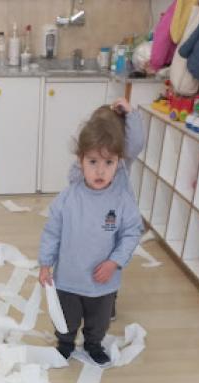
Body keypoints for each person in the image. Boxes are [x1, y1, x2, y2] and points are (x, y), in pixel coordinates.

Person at [39, 104, 143, 365]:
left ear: (119, 162)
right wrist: (45, 263)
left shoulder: (121, 198)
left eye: (108, 162)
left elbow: (132, 232)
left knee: (99, 320)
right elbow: (52, 232)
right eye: (93, 162)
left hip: (103, 280)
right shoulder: (68, 197)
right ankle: (65, 344)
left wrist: (114, 262)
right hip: (68, 278)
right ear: (81, 161)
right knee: (66, 318)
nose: (100, 171)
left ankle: (93, 344)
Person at [68, 98, 146, 321]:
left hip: (114, 223)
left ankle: (107, 301)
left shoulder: (121, 160)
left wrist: (131, 113)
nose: (101, 168)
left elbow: (137, 142)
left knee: (111, 263)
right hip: (90, 223)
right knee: (89, 260)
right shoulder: (83, 165)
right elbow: (73, 183)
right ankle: (84, 296)